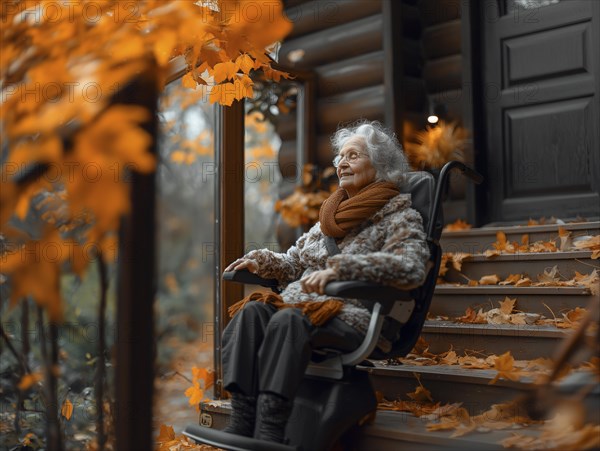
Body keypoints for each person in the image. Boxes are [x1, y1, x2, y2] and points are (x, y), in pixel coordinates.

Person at [221, 120, 430, 443]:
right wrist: (261, 260)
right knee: (252, 314)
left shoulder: (401, 216)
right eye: (340, 158)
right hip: (304, 308)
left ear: (380, 165)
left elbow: (411, 267)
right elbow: (293, 262)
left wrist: (343, 269)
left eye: (353, 156)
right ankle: (243, 416)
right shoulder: (330, 218)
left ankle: (270, 427)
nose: (342, 163)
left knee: (289, 319)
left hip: (354, 314)